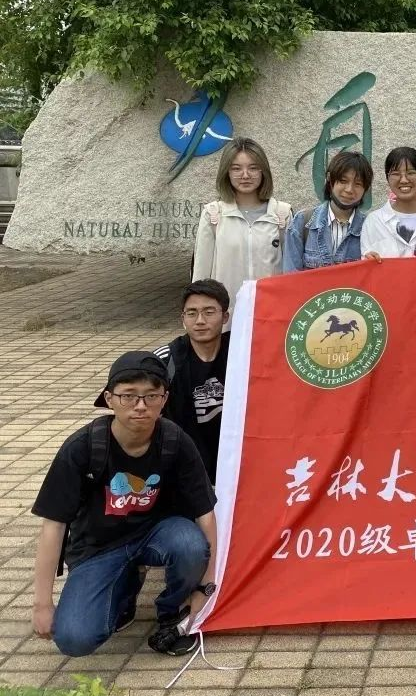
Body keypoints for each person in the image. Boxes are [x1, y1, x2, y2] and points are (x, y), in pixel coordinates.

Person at [31, 352, 217, 657]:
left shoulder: (175, 441)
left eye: (151, 396)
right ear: (109, 399)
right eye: (128, 395)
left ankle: (172, 611)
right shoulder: (83, 447)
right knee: (74, 638)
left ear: (164, 399)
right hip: (99, 547)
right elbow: (54, 524)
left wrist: (205, 587)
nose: (140, 405)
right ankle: (124, 593)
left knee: (190, 544)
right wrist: (42, 603)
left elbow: (205, 513)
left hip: (156, 534)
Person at [192, 137, 292, 308]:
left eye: (253, 168)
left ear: (263, 171)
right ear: (227, 172)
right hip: (227, 314)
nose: (245, 175)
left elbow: (291, 272)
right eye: (236, 168)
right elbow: (201, 274)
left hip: (270, 312)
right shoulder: (213, 214)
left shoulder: (282, 214)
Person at [154, 279, 230, 484]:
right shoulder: (164, 361)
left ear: (225, 316)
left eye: (209, 312)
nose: (200, 320)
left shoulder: (242, 353)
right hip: (184, 469)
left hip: (234, 464)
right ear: (183, 318)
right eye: (192, 313)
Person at [282, 151, 372, 272]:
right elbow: (290, 277)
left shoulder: (370, 227)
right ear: (330, 180)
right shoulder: (303, 222)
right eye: (343, 181)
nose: (349, 190)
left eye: (358, 184)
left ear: (365, 189)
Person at [360, 147, 416, 258]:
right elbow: (366, 264)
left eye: (410, 173)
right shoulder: (374, 222)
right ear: (387, 178)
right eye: (396, 174)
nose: (404, 180)